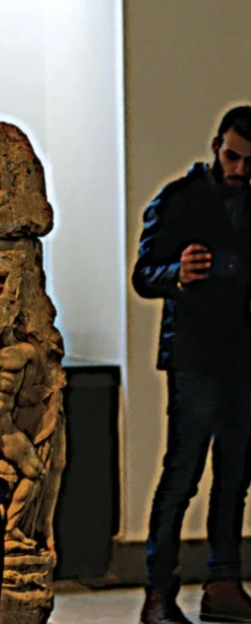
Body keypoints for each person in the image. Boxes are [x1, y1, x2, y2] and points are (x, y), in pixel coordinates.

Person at [133, 105, 251, 624]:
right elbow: (143, 275)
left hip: (244, 358)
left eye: (250, 161)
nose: (240, 170)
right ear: (215, 147)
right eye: (233, 156)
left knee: (235, 476)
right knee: (183, 474)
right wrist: (178, 272)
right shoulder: (178, 200)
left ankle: (223, 583)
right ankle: (159, 593)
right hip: (195, 356)